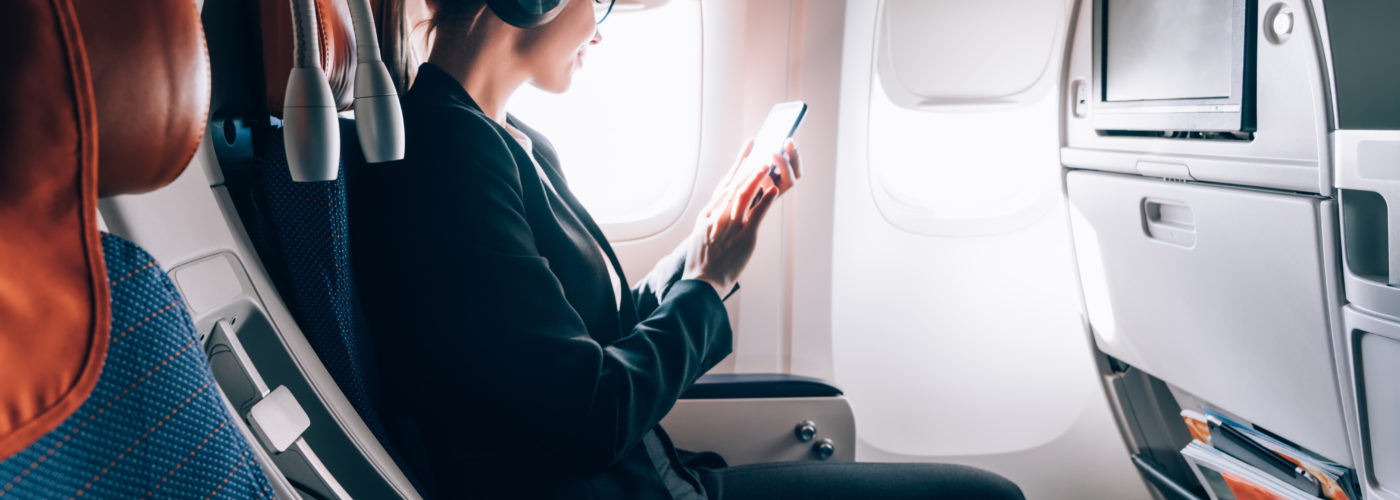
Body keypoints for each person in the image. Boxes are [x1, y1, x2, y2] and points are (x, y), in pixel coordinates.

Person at [348, 0, 1026, 498]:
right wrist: (706, 285)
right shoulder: (448, 155)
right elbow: (587, 415)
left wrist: (706, 243)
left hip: (659, 478)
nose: (601, 29)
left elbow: (598, 336)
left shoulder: (507, 137)